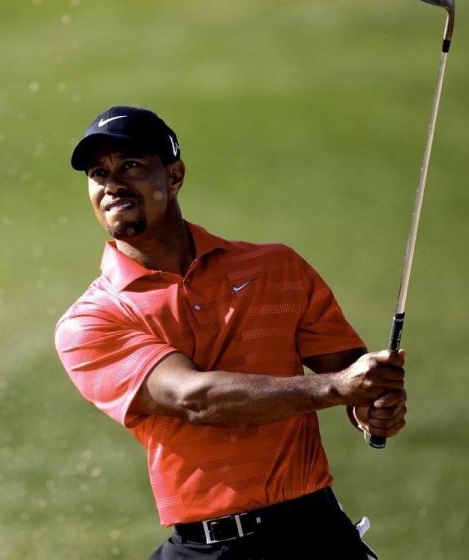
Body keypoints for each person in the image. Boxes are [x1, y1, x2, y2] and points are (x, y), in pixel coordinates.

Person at [54, 106, 407, 559]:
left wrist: (374, 404)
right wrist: (338, 388)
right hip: (208, 549)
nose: (112, 185)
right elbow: (195, 398)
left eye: (132, 166)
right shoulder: (91, 321)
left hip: (315, 533)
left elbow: (353, 377)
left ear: (175, 176)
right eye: (98, 173)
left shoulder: (276, 267)